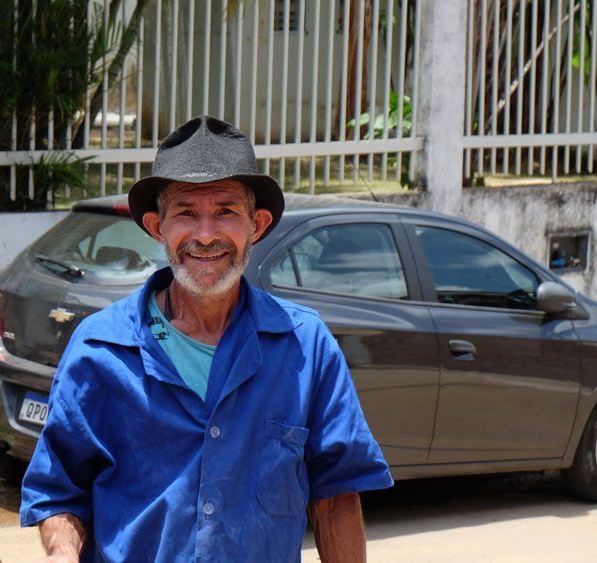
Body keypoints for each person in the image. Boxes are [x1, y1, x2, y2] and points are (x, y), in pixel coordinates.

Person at [20, 115, 393, 562]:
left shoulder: (305, 346)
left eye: (226, 212)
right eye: (186, 213)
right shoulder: (100, 350)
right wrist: (62, 549)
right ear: (157, 227)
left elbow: (335, 497)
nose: (205, 235)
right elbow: (59, 492)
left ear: (257, 225)